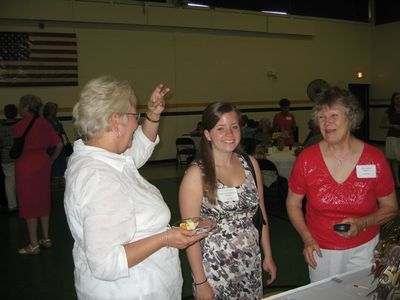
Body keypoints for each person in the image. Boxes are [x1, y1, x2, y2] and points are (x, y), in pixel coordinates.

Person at [64, 76, 206, 300]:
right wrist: (166, 238)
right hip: (132, 291)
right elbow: (105, 263)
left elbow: (138, 148)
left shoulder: (106, 158)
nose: (137, 123)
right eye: (134, 116)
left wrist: (152, 116)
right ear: (115, 122)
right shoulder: (99, 178)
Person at [286, 86, 399, 283]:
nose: (327, 122)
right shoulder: (307, 159)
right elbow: (293, 203)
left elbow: (391, 208)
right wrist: (307, 238)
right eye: (321, 117)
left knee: (360, 294)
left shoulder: (374, 159)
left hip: (364, 247)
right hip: (320, 249)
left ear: (351, 118)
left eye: (333, 115)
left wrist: (362, 223)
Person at [179, 102, 277, 299]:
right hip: (215, 270)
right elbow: (189, 235)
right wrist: (200, 281)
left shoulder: (251, 164)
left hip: (250, 263)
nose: (230, 134)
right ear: (207, 134)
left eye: (234, 126)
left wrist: (268, 254)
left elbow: (261, 214)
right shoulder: (196, 174)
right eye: (220, 129)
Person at [15, 95, 63, 254]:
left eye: (21, 105)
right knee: (43, 199)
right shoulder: (45, 123)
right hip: (43, 163)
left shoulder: (20, 125)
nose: (19, 108)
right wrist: (51, 159)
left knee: (28, 202)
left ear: (26, 107)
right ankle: (46, 238)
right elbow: (59, 144)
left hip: (26, 164)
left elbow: (16, 149)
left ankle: (33, 244)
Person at [0, 104, 19, 212]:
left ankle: (12, 204)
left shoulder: (1, 127)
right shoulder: (20, 126)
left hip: (6, 157)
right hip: (20, 155)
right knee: (20, 180)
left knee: (9, 180)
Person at [43, 102, 68, 183]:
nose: (56, 111)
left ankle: (60, 178)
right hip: (51, 146)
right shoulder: (45, 121)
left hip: (59, 144)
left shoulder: (56, 120)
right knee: (54, 164)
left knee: (60, 164)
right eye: (54, 109)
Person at [380, 92, 400, 188]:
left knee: (395, 159)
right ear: (393, 100)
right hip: (393, 136)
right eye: (396, 98)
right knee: (394, 158)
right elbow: (382, 124)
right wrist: (392, 125)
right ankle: (394, 180)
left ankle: (394, 179)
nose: (398, 100)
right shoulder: (389, 111)